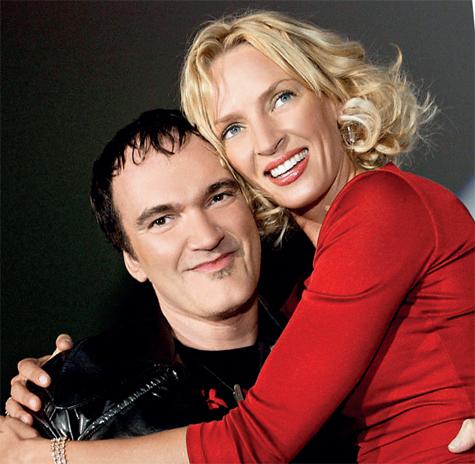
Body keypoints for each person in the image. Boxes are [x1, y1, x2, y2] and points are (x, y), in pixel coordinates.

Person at [2, 10, 474, 464]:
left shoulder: (378, 207)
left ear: (333, 95)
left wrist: (47, 456)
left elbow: (257, 441)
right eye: (233, 127)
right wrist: (68, 382)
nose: (267, 140)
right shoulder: (302, 300)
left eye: (281, 98)